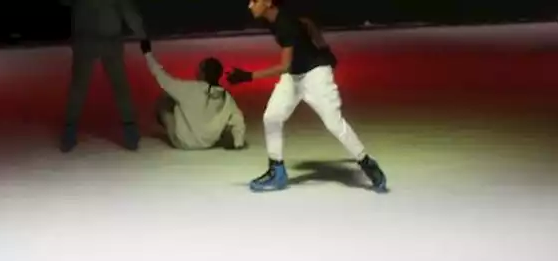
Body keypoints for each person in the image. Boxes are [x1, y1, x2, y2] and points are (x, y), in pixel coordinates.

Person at [227, 0, 387, 192]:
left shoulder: (285, 24)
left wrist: (248, 76)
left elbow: (284, 65)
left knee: (334, 123)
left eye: (254, 1)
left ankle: (366, 162)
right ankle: (276, 171)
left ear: (268, 2)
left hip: (315, 75)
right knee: (272, 118)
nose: (250, 5)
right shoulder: (272, 18)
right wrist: (324, 47)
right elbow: (308, 23)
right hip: (294, 76)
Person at [60, 0, 145, 152]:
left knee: (79, 88)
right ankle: (130, 132)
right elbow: (127, 10)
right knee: (119, 86)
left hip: (89, 41)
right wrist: (141, 32)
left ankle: (69, 132)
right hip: (105, 41)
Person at [139, 39, 246, 150]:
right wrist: (238, 141)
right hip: (208, 142)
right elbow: (238, 119)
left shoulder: (189, 89)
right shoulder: (226, 97)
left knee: (164, 101)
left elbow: (162, 77)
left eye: (199, 68)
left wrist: (148, 54)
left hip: (183, 142)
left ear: (203, 73)